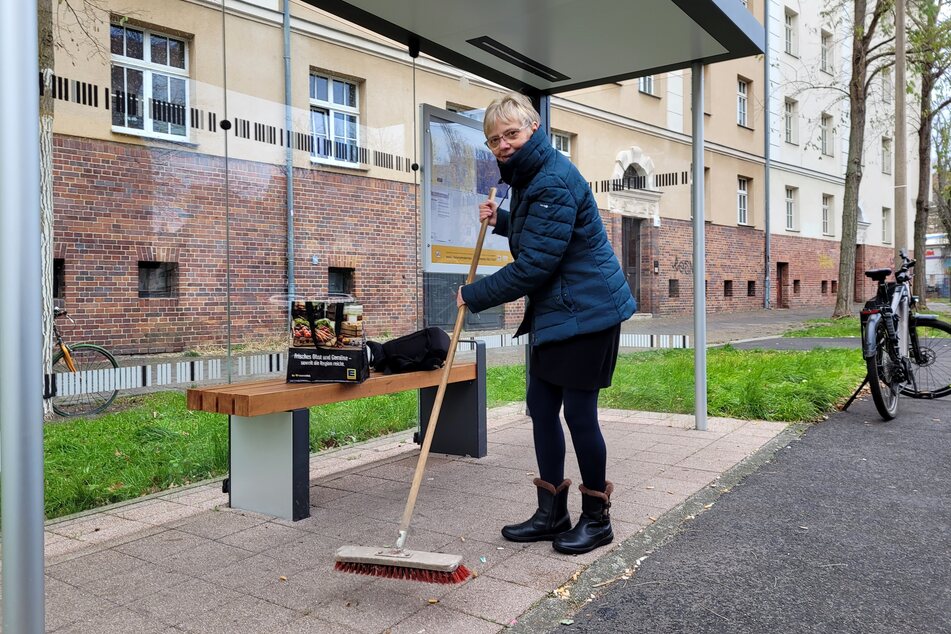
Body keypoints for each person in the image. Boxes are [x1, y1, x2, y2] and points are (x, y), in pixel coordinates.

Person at [456, 92, 636, 554]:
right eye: (494, 139)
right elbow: (544, 231)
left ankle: (597, 520)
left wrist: (474, 295)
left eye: (511, 134)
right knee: (541, 406)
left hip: (588, 312)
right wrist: (503, 221)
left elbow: (536, 263)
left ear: (533, 128)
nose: (503, 145)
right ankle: (552, 512)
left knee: (578, 415)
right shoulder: (532, 175)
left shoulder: (551, 178)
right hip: (560, 310)